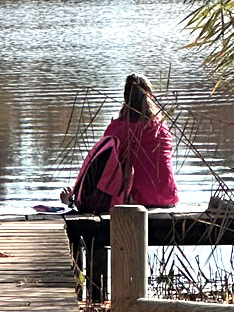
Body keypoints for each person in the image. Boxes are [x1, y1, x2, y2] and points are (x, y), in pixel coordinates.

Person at [62, 74, 179, 210]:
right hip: (168, 199)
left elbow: (103, 168)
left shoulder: (116, 130)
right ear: (150, 96)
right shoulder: (162, 128)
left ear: (125, 98)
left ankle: (72, 201)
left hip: (135, 203)